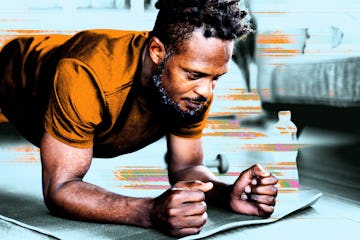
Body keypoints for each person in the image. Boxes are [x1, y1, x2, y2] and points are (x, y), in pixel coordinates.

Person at [0, 0, 278, 237]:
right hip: (14, 72)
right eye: (194, 75)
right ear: (157, 52)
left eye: (216, 78)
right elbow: (60, 188)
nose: (206, 91)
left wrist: (227, 194)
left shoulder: (196, 82)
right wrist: (148, 211)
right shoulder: (84, 74)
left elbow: (187, 168)